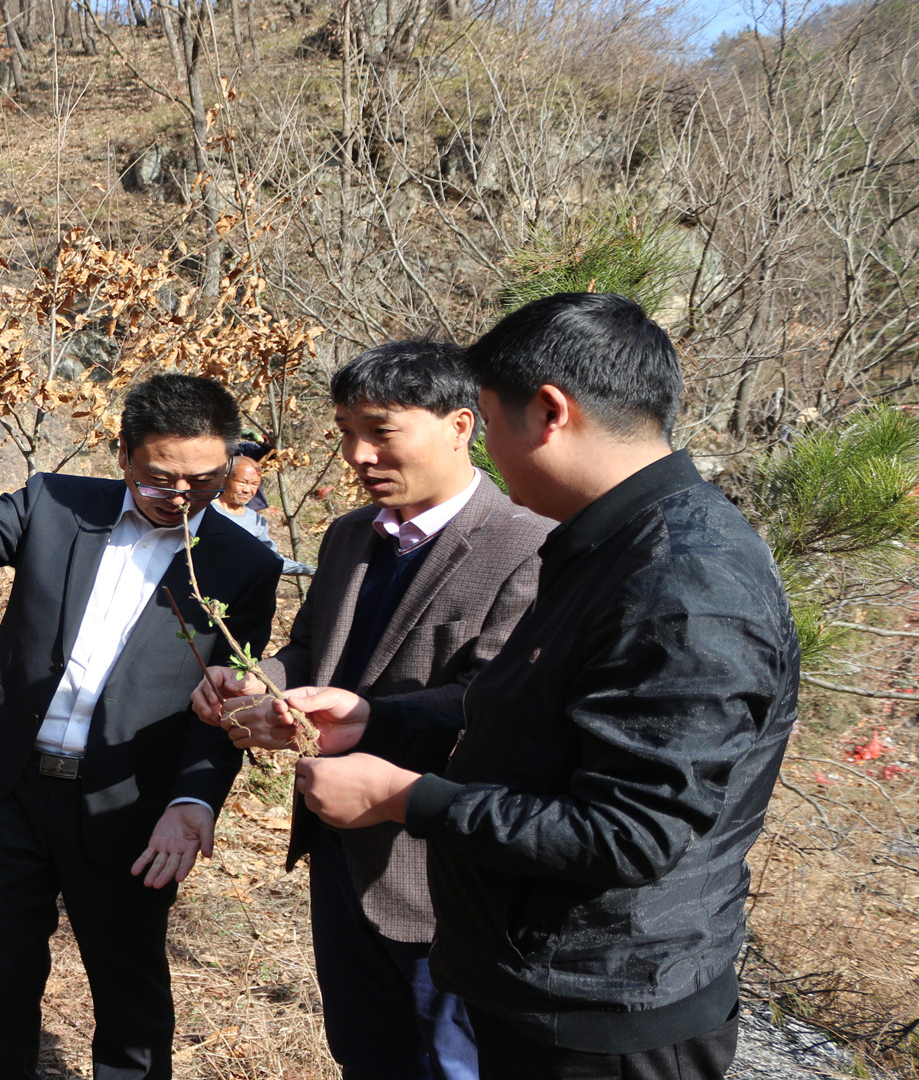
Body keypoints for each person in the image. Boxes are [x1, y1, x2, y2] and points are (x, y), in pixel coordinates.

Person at [256, 294, 799, 1080]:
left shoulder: (686, 582)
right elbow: (520, 722)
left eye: (485, 420)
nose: (488, 455)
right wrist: (375, 723)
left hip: (603, 1012)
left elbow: (629, 834)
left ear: (548, 413)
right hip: (535, 974)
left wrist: (406, 798)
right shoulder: (611, 548)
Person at [0, 374, 283, 1080]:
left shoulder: (243, 565)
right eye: (160, 479)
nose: (181, 497)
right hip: (9, 785)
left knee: (128, 983)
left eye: (205, 481)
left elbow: (223, 701)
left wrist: (192, 799)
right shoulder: (57, 502)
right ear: (123, 455)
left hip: (131, 802)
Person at [193, 341, 552, 1080]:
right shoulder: (351, 535)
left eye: (381, 431)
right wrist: (257, 681)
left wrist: (368, 722)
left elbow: (498, 706)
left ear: (460, 425)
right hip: (337, 852)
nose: (359, 454)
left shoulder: (530, 546)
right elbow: (310, 649)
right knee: (364, 1053)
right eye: (346, 431)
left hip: (441, 874)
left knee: (449, 1063)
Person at [211, 454, 314, 575]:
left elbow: (269, 559)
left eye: (254, 484)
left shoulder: (256, 521)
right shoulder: (202, 510)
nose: (247, 490)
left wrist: (311, 570)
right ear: (224, 480)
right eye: (242, 482)